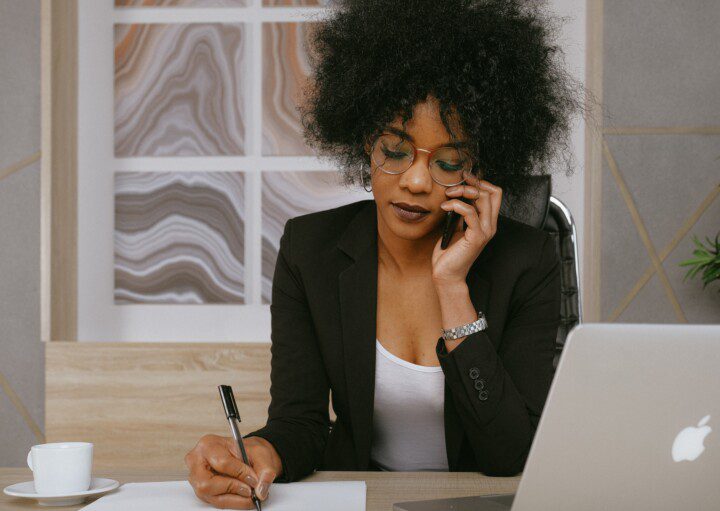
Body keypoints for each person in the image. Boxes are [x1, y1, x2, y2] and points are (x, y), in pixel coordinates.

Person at [184, 0, 586, 508]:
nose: (416, 181)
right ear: (362, 144)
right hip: (365, 497)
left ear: (479, 168)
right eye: (395, 151)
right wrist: (260, 450)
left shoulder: (525, 260)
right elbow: (300, 423)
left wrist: (452, 287)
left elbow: (509, 453)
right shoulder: (311, 252)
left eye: (448, 161)